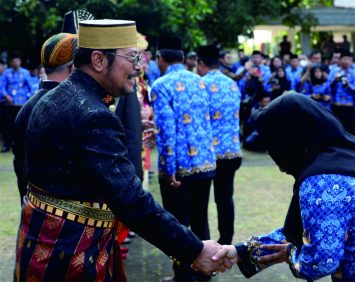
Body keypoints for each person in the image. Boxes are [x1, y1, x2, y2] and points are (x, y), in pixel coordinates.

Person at [15, 20, 224, 282]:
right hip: (73, 253)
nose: (139, 68)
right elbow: (132, 201)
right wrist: (195, 250)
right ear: (99, 60)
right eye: (133, 57)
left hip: (41, 246)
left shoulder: (50, 99)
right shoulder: (94, 116)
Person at [212, 93, 355, 281]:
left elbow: (320, 261)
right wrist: (240, 252)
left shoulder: (321, 181)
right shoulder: (350, 157)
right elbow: (305, 231)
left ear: (290, 138)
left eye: (273, 142)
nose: (271, 152)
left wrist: (290, 255)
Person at [151, 32, 217, 282]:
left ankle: (183, 275)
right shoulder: (200, 81)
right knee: (201, 220)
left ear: (160, 58)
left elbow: (168, 133)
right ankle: (205, 272)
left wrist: (169, 170)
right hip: (205, 163)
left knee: (177, 227)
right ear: (181, 56)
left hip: (179, 168)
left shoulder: (160, 86)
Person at [12, 33, 78, 204]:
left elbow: (20, 165)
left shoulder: (26, 107)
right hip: (66, 219)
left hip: (32, 210)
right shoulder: (73, 107)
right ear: (73, 67)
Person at [197, 45, 242, 245]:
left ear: (201, 64)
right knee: (225, 199)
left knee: (201, 203)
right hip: (232, 151)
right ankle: (226, 243)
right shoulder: (232, 84)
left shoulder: (200, 84)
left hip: (208, 153)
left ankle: (204, 247)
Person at [0, 52, 31, 152]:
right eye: (14, 61)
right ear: (10, 63)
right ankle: (7, 145)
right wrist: (5, 95)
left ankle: (22, 145)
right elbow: (2, 87)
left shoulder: (25, 72)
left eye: (17, 61)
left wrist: (30, 98)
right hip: (9, 104)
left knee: (22, 125)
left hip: (22, 104)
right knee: (7, 125)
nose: (16, 63)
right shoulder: (6, 73)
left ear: (20, 62)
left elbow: (30, 86)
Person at [328, 50, 355, 133]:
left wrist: (349, 85)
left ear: (351, 61)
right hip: (336, 104)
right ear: (340, 60)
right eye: (344, 59)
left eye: (348, 59)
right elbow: (327, 87)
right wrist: (335, 80)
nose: (346, 61)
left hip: (349, 105)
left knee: (348, 129)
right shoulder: (334, 71)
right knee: (336, 128)